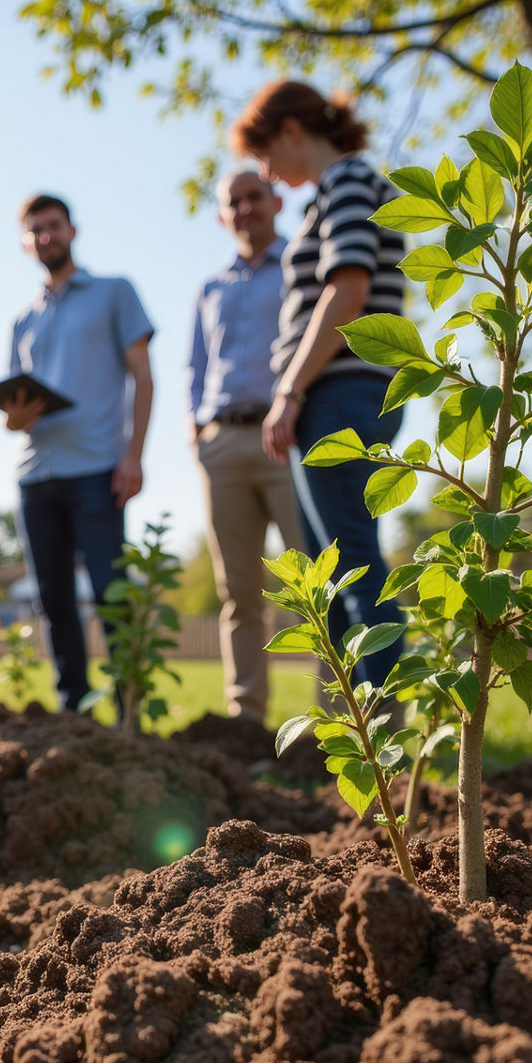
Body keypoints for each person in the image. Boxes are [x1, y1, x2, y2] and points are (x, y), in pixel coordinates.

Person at [234, 81, 408, 686]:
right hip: (332, 395)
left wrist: (289, 391)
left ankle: (384, 733)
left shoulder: (349, 182)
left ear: (290, 131)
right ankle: (352, 739)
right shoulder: (333, 194)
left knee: (354, 565)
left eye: (264, 153)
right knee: (332, 576)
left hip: (340, 392)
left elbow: (348, 291)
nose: (267, 172)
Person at [2, 194, 154, 713]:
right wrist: (15, 419)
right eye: (36, 231)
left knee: (112, 596)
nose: (46, 237)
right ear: (27, 244)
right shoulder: (22, 320)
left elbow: (143, 377)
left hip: (96, 470)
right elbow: (15, 410)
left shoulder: (114, 293)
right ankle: (74, 708)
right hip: (35, 475)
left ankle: (128, 710)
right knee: (53, 600)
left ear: (72, 230)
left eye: (53, 226)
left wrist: (133, 455)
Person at [190, 170, 305, 719]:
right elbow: (196, 366)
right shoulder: (210, 288)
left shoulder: (301, 266)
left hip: (289, 437)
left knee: (315, 584)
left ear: (276, 200)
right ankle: (246, 716)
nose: (245, 209)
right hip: (221, 444)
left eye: (254, 197)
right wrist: (196, 429)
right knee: (239, 590)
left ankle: (339, 724)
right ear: (221, 215)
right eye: (233, 202)